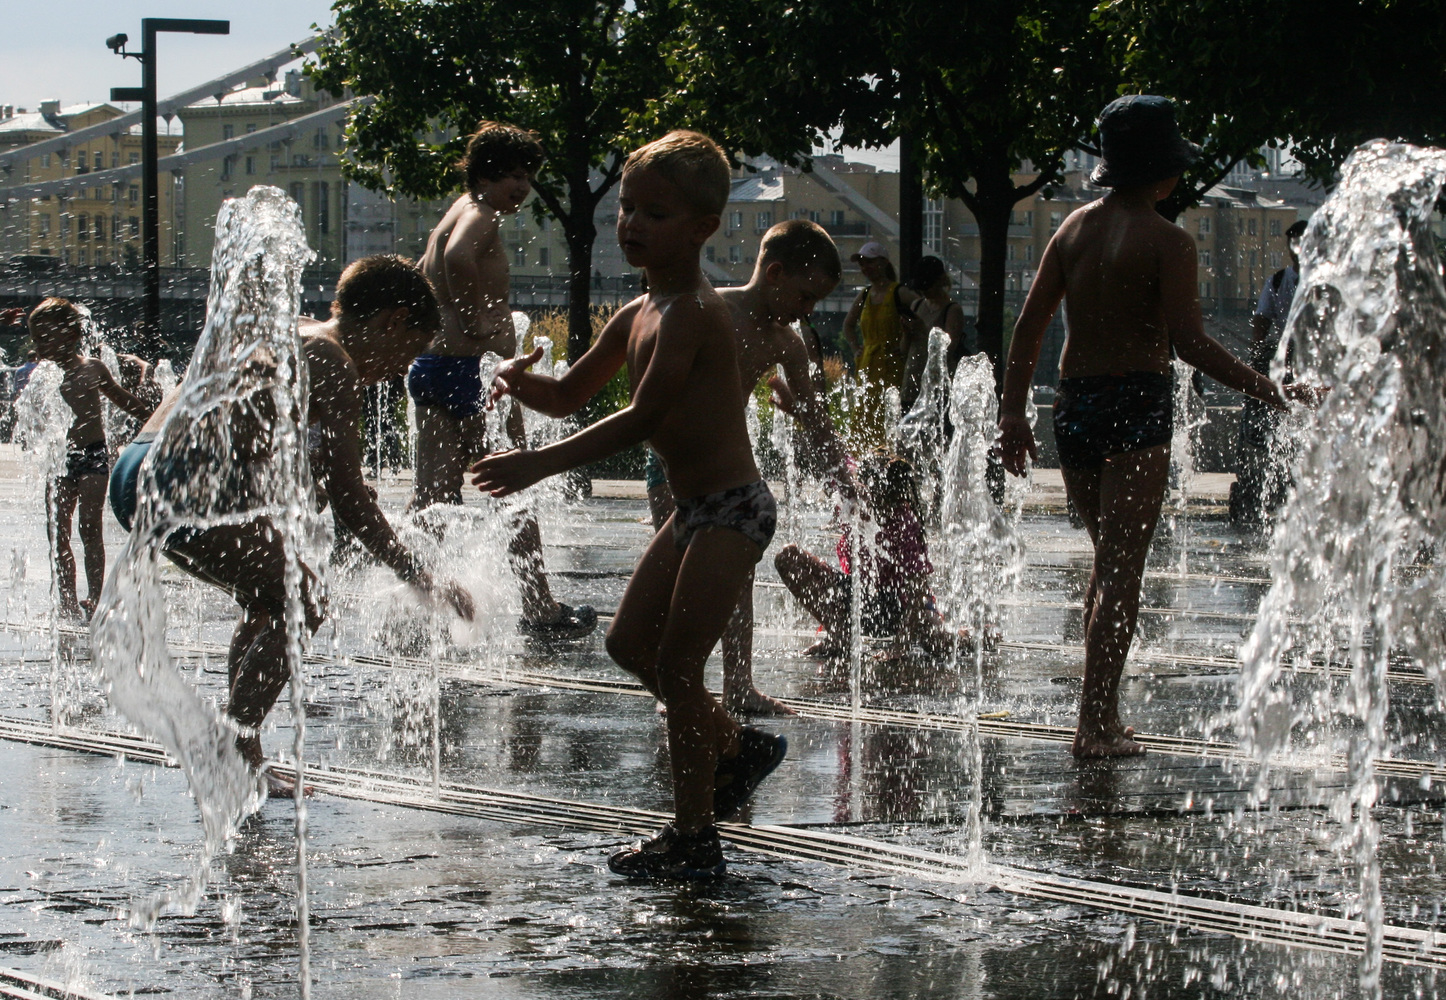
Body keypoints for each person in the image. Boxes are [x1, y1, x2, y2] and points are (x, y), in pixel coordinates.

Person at [472, 131, 787, 879]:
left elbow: (643, 417)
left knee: (679, 666)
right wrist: (519, 383)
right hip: (693, 510)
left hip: (734, 509)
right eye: (626, 208)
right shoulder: (640, 310)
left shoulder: (692, 313)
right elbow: (571, 394)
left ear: (703, 228)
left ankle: (693, 838)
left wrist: (536, 467)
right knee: (627, 646)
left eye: (655, 213)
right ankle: (737, 748)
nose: (632, 224)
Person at [997, 95, 1298, 759]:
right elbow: (1189, 343)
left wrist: (1013, 413)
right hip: (1135, 402)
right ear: (1165, 173)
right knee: (1122, 571)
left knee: (1107, 565)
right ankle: (1094, 725)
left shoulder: (1071, 228)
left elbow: (1029, 325)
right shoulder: (1169, 240)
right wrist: (1271, 390)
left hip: (1073, 405)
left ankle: (1100, 714)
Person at [109, 256, 475, 787]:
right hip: (179, 475)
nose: (399, 372)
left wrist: (319, 486)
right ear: (391, 321)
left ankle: (242, 752)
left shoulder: (298, 334)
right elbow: (351, 499)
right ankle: (234, 744)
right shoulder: (335, 363)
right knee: (305, 598)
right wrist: (421, 577)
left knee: (266, 599)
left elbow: (255, 439)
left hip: (140, 465)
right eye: (408, 352)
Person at [645, 219, 849, 715]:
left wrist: (843, 473)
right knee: (678, 576)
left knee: (738, 575)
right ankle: (677, 681)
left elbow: (817, 421)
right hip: (672, 463)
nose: (808, 311)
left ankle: (739, 684)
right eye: (805, 297)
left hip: (727, 470)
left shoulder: (786, 342)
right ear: (775, 273)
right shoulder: (710, 310)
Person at [410, 120, 593, 639]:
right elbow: (456, 258)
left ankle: (420, 605)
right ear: (485, 174)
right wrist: (478, 322)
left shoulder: (454, 211)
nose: (522, 187)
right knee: (516, 483)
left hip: (435, 366)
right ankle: (539, 609)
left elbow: (435, 262)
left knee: (434, 496)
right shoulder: (483, 215)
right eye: (512, 175)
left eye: (528, 177)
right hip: (475, 371)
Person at [26, 298, 154, 618]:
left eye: (45, 335)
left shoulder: (92, 368)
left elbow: (124, 401)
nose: (39, 343)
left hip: (93, 456)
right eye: (36, 337)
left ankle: (95, 597)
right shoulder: (44, 376)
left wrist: (157, 421)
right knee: (58, 531)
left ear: (69, 333)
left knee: (89, 529)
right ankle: (67, 597)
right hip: (61, 459)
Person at [774, 452, 953, 661]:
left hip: (900, 608)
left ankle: (968, 636)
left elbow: (918, 593)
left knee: (939, 642)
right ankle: (841, 636)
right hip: (863, 596)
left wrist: (900, 645)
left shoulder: (904, 523)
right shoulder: (856, 507)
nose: (860, 490)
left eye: (865, 485)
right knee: (787, 556)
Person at [1231, 218, 1307, 524]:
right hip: (1285, 362)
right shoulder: (1278, 281)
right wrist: (1258, 356)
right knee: (1270, 421)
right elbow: (1261, 321)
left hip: (1313, 361)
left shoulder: (1326, 280)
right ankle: (1270, 482)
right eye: (1294, 243)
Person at [841, 242, 919, 448]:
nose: (865, 268)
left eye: (869, 262)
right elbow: (848, 325)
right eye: (862, 264)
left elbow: (922, 314)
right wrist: (855, 348)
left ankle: (891, 463)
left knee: (888, 416)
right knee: (865, 417)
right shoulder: (865, 294)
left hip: (892, 367)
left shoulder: (898, 292)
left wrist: (906, 341)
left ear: (883, 263)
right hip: (867, 366)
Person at [902, 254, 966, 408]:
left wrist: (923, 331)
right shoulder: (916, 305)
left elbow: (946, 353)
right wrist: (906, 332)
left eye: (927, 286)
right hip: (912, 384)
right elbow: (904, 350)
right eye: (920, 287)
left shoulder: (952, 310)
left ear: (939, 281)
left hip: (938, 389)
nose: (924, 291)